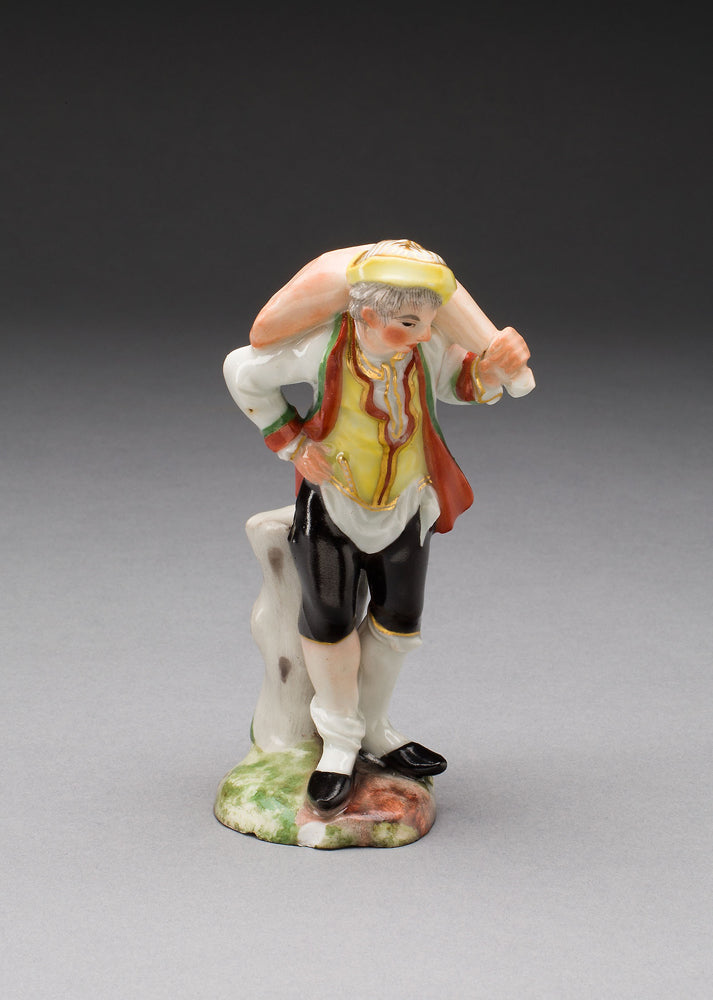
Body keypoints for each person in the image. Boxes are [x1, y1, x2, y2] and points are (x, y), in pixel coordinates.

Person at [224, 240, 533, 811]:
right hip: (334, 503)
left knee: (398, 624)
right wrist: (294, 444)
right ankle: (339, 744)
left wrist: (492, 369)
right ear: (366, 313)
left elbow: (460, 383)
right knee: (330, 622)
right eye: (409, 322)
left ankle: (374, 727)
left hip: (405, 506)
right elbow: (243, 370)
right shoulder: (322, 348)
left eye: (430, 321)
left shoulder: (424, 347)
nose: (424, 333)